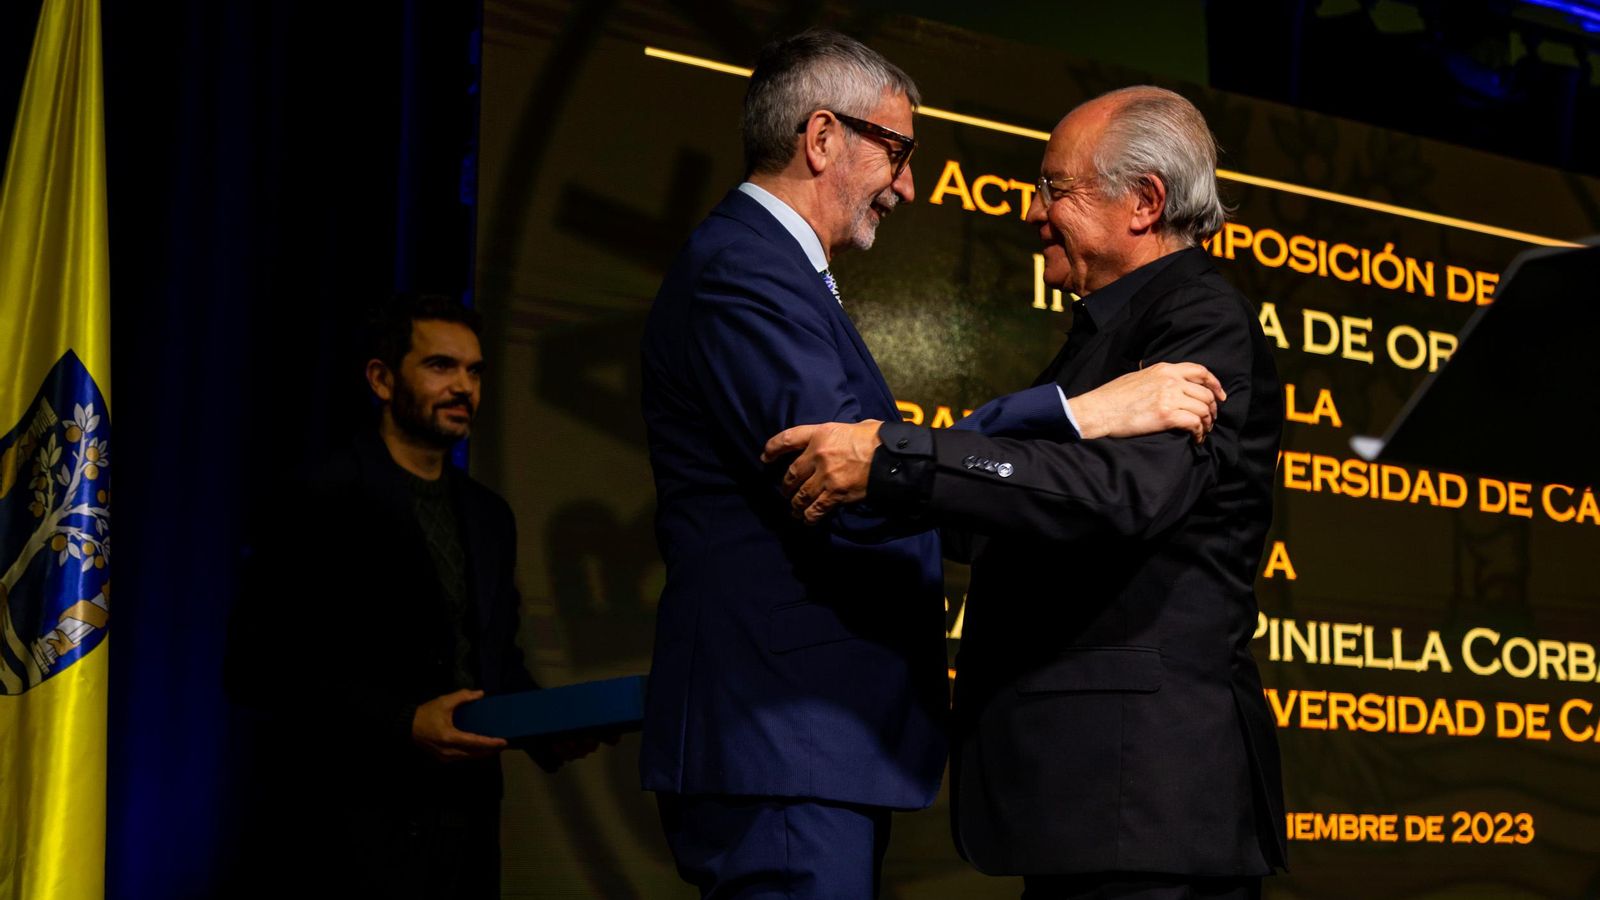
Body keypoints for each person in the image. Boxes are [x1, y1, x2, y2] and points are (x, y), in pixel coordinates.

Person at [640, 30, 1228, 899]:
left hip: (808, 743)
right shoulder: (746, 273)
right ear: (823, 137)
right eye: (899, 150)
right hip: (786, 736)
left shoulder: (776, 274)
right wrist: (1079, 411)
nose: (908, 185)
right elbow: (848, 477)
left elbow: (880, 465)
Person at [766, 86, 1288, 899]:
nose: (1032, 211)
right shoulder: (1103, 338)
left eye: (1056, 188)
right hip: (1100, 805)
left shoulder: (1198, 319)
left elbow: (1120, 494)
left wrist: (896, 461)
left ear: (1144, 202)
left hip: (1144, 807)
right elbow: (999, 508)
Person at [226, 293, 592, 899]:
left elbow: (491, 664)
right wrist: (402, 722)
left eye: (474, 371)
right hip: (348, 835)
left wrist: (551, 728)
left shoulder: (488, 516)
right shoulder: (321, 497)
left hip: (465, 837)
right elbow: (256, 668)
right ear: (381, 377)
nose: (464, 387)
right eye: (440, 366)